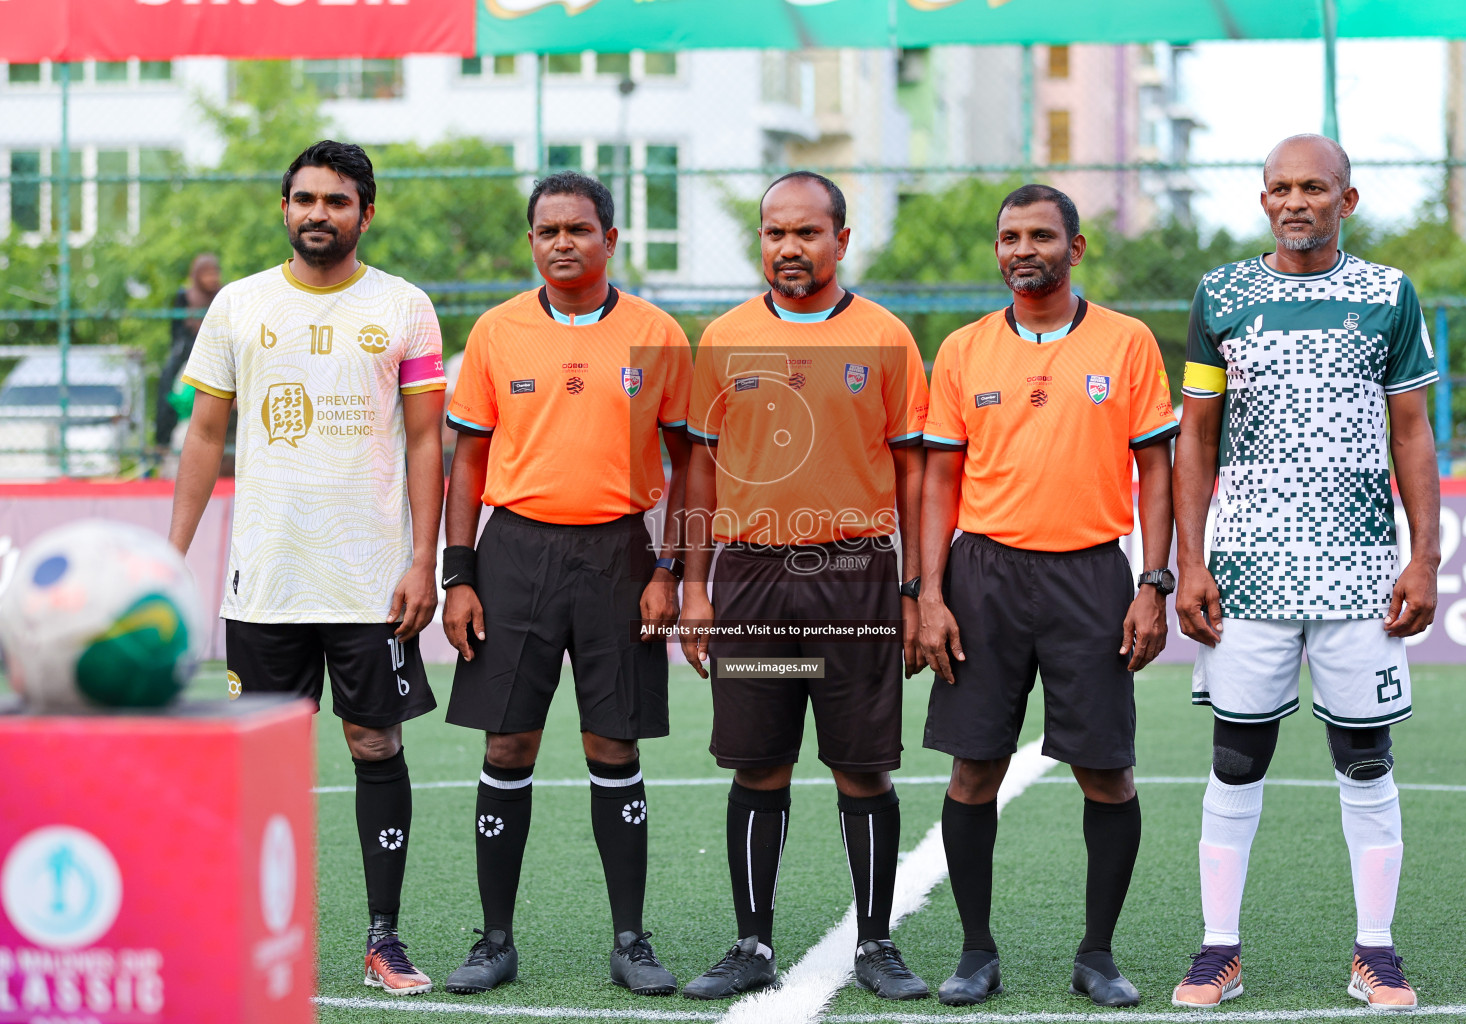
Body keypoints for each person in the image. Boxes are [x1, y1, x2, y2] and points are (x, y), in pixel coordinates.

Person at [169, 140, 446, 995]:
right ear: (283, 209)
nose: (317, 214)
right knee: (260, 760)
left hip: (369, 578)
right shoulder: (240, 307)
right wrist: (167, 561)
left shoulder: (405, 307)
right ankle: (244, 932)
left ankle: (383, 940)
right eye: (303, 199)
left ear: (366, 211)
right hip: (267, 576)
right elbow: (206, 436)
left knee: (374, 741)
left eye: (335, 200)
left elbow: (430, 440)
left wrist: (422, 560)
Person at [1170, 135, 1439, 1011]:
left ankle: (1378, 952)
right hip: (1247, 567)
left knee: (1366, 759)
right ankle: (1219, 952)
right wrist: (1191, 560)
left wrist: (1424, 556)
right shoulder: (1221, 295)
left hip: (1362, 569)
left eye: (1314, 187)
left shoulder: (1389, 294)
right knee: (1236, 756)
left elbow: (1412, 433)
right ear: (1262, 200)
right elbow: (1196, 439)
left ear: (1346, 201)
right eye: (1280, 187)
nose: (1296, 201)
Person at [917, 183, 1179, 1008]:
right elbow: (938, 479)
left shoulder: (1127, 342)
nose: (1021, 249)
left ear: (1076, 247)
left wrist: (1153, 583)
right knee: (973, 772)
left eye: (1039, 235)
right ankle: (975, 952)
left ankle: (1097, 955)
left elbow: (1157, 471)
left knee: (1108, 775)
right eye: (1008, 237)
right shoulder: (962, 350)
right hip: (983, 576)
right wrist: (927, 592)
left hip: (1093, 576)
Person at [678, 171, 931, 1001]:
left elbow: (914, 472)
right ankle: (751, 943)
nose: (790, 248)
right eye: (775, 233)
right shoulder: (722, 337)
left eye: (808, 233)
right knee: (759, 766)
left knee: (863, 768)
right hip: (750, 579)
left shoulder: (887, 338)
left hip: (856, 576)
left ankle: (875, 944)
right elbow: (700, 477)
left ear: (841, 241)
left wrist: (916, 587)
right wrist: (694, 586)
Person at [438, 171, 693, 997]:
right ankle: (494, 940)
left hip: (620, 556)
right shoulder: (497, 331)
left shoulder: (657, 334)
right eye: (547, 231)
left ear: (610, 240)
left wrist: (669, 568)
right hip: (512, 555)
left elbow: (691, 464)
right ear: (531, 242)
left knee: (611, 745)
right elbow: (467, 461)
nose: (561, 243)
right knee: (506, 743)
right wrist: (459, 575)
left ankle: (631, 940)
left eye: (578, 229)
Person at [156, 253, 222, 461]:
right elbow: (176, 331)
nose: (211, 279)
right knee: (168, 385)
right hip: (188, 349)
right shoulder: (185, 296)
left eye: (214, 273)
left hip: (216, 349)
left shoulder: (223, 295)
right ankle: (162, 443)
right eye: (207, 274)